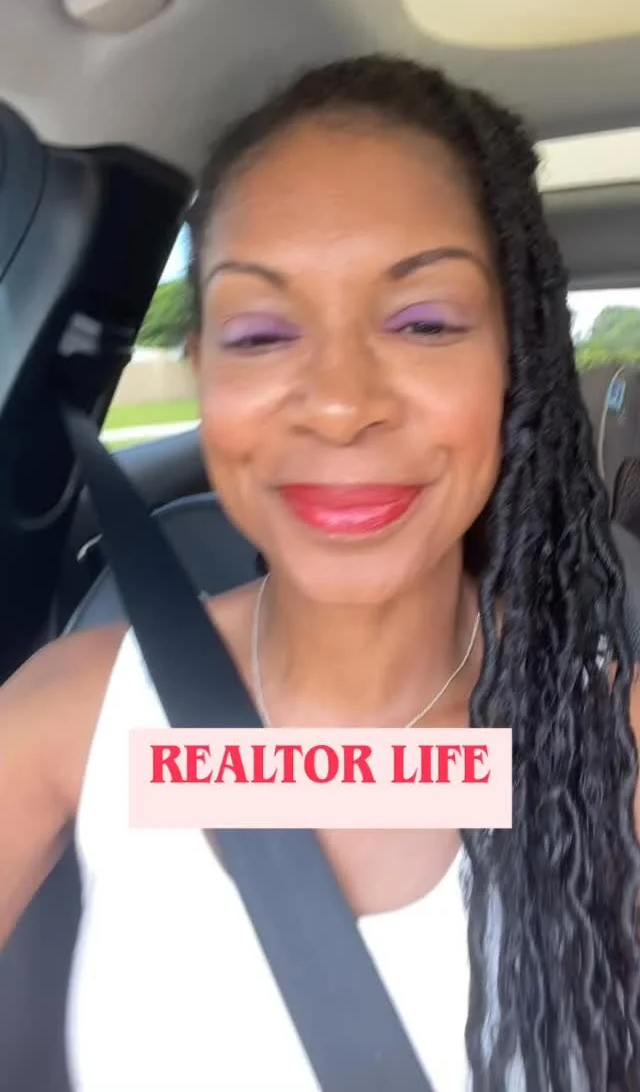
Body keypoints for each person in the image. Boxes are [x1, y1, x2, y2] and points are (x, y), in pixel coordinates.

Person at [1, 54, 639, 1092]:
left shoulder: (611, 746)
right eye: (259, 333)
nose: (340, 404)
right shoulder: (75, 709)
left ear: (515, 362)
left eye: (424, 322)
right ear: (203, 369)